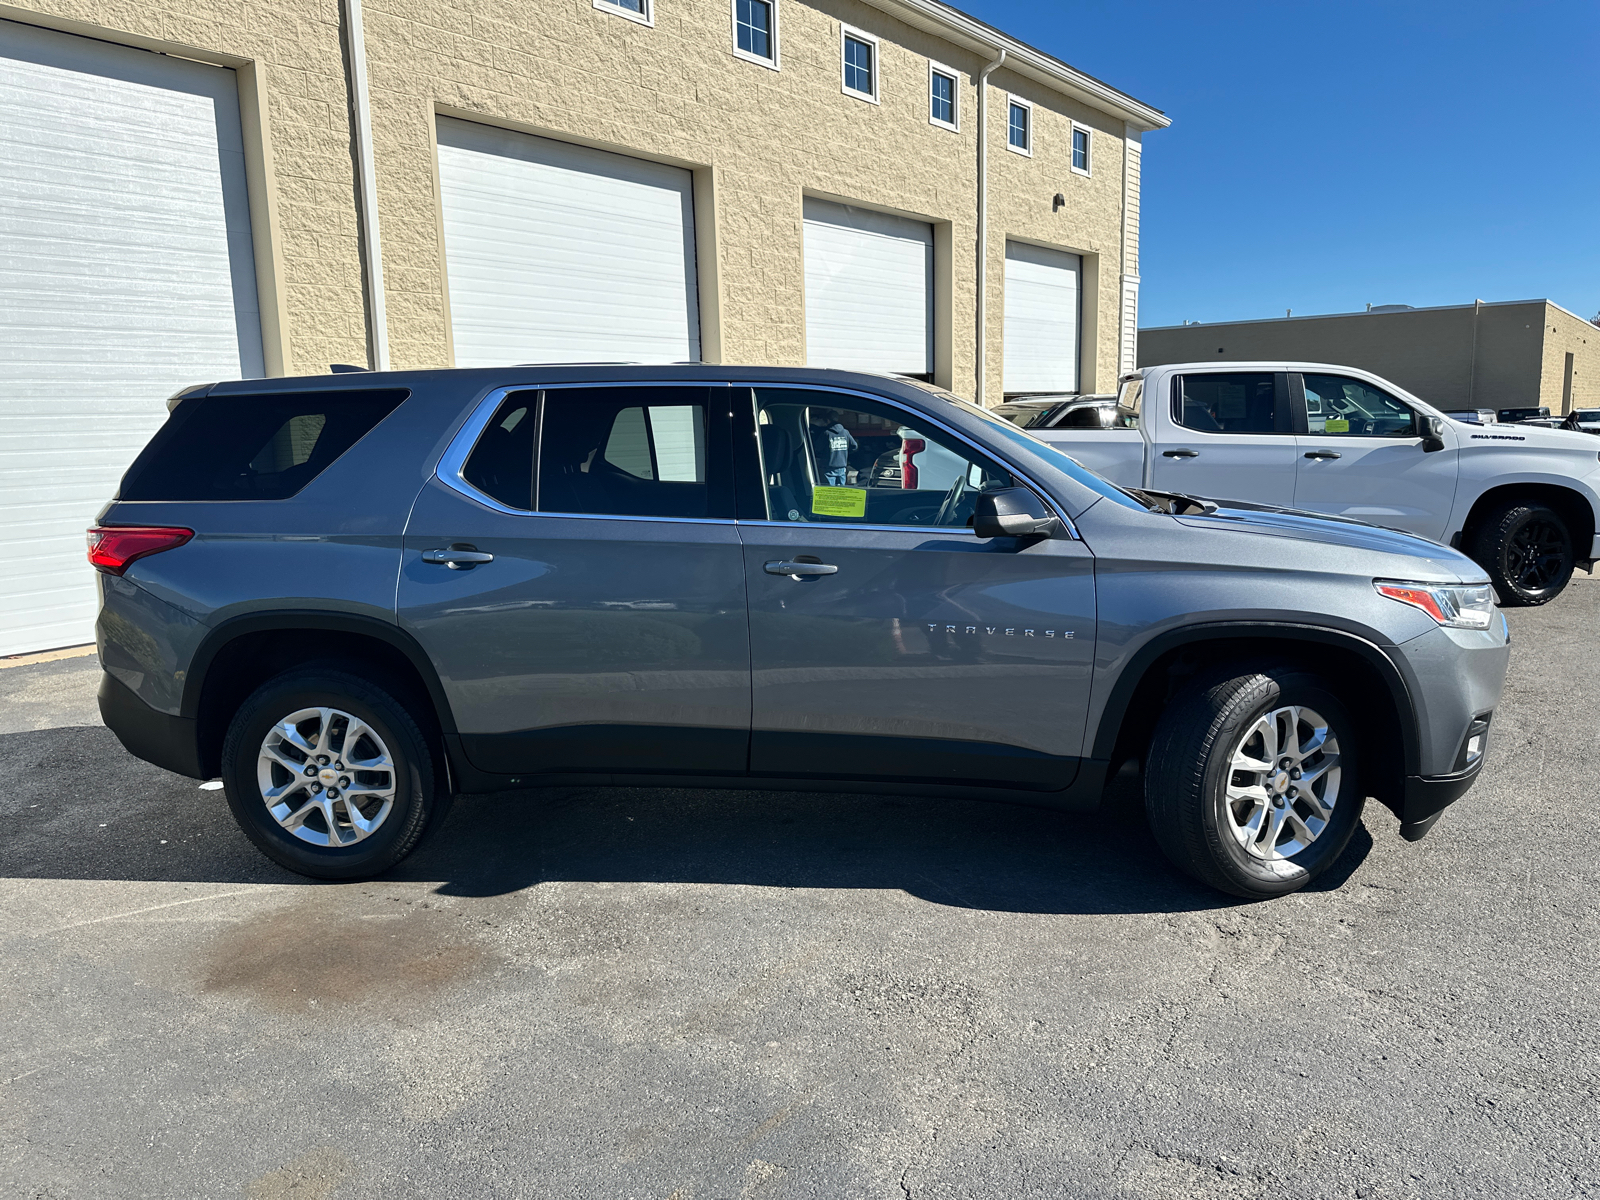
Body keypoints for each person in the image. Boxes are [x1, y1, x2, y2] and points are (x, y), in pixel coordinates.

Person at [809, 408, 857, 486]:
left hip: (828, 467)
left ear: (827, 420)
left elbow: (817, 448)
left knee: (830, 492)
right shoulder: (845, 432)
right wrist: (844, 453)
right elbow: (854, 446)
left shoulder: (826, 433)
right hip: (842, 466)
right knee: (841, 491)